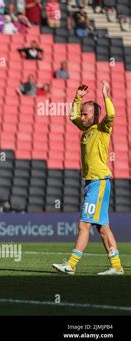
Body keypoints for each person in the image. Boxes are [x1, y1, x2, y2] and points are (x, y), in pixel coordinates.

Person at [53, 82, 124, 276]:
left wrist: (106, 96)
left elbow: (111, 115)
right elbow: (72, 116)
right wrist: (78, 98)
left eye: (86, 114)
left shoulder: (102, 129)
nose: (82, 117)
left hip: (98, 182)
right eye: (83, 113)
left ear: (95, 116)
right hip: (93, 183)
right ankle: (116, 266)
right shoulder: (86, 131)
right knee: (102, 228)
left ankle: (72, 264)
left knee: (84, 224)